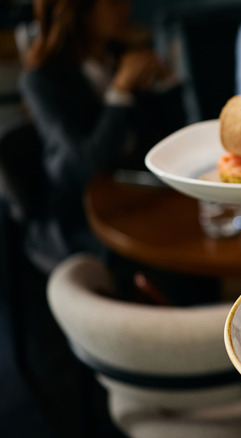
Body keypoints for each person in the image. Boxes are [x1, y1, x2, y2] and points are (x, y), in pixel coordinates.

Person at [19, 0, 216, 305]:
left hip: (134, 194)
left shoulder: (123, 56)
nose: (126, 8)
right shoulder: (41, 80)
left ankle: (205, 317)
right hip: (80, 211)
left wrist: (166, 83)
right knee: (169, 264)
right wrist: (121, 89)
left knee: (199, 236)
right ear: (78, 11)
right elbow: (88, 163)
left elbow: (170, 142)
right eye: (113, 2)